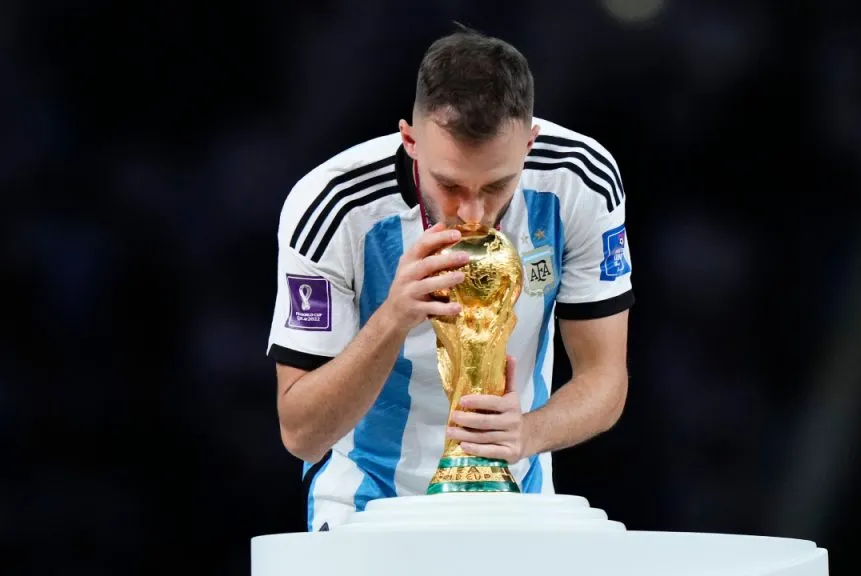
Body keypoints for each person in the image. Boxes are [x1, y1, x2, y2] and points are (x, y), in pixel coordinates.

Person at [266, 27, 634, 531]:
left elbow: (605, 380)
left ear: (530, 144)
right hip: (363, 509)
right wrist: (393, 317)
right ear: (410, 140)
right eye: (450, 184)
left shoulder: (581, 181)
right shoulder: (333, 207)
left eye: (497, 185)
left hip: (512, 499)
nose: (474, 212)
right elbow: (302, 434)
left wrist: (526, 434)